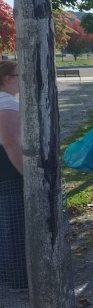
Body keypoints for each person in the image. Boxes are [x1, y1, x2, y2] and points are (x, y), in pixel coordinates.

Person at [0, 61, 26, 291]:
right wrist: (26, 174)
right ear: (8, 78)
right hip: (8, 172)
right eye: (19, 75)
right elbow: (10, 143)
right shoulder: (6, 103)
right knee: (15, 223)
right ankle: (18, 276)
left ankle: (8, 273)